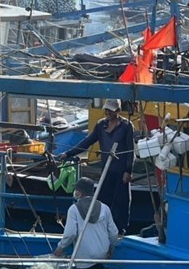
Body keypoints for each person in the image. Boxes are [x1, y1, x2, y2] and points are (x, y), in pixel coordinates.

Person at [57, 99, 134, 232]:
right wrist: (69, 153)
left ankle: (121, 229)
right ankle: (102, 226)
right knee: (103, 199)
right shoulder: (101, 125)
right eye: (106, 110)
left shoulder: (126, 126)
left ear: (118, 111)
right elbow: (87, 142)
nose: (107, 112)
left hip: (121, 170)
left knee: (122, 200)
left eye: (111, 110)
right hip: (106, 169)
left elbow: (130, 150)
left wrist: (128, 170)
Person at [54, 177, 119, 269]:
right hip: (101, 254)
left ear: (80, 192)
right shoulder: (105, 208)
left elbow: (70, 234)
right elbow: (114, 233)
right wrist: (110, 250)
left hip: (84, 256)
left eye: (77, 190)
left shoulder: (74, 209)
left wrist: (60, 248)